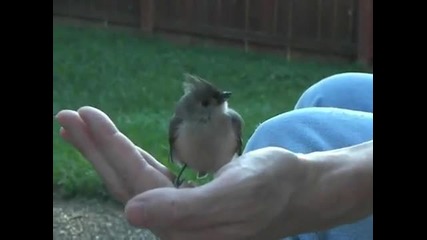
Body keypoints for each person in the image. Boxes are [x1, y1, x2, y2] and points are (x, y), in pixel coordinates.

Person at [56, 72, 373, 240]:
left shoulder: (230, 122)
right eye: (212, 102)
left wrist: (318, 185)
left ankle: (262, 223)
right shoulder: (182, 127)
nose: (223, 104)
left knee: (285, 134)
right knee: (329, 93)